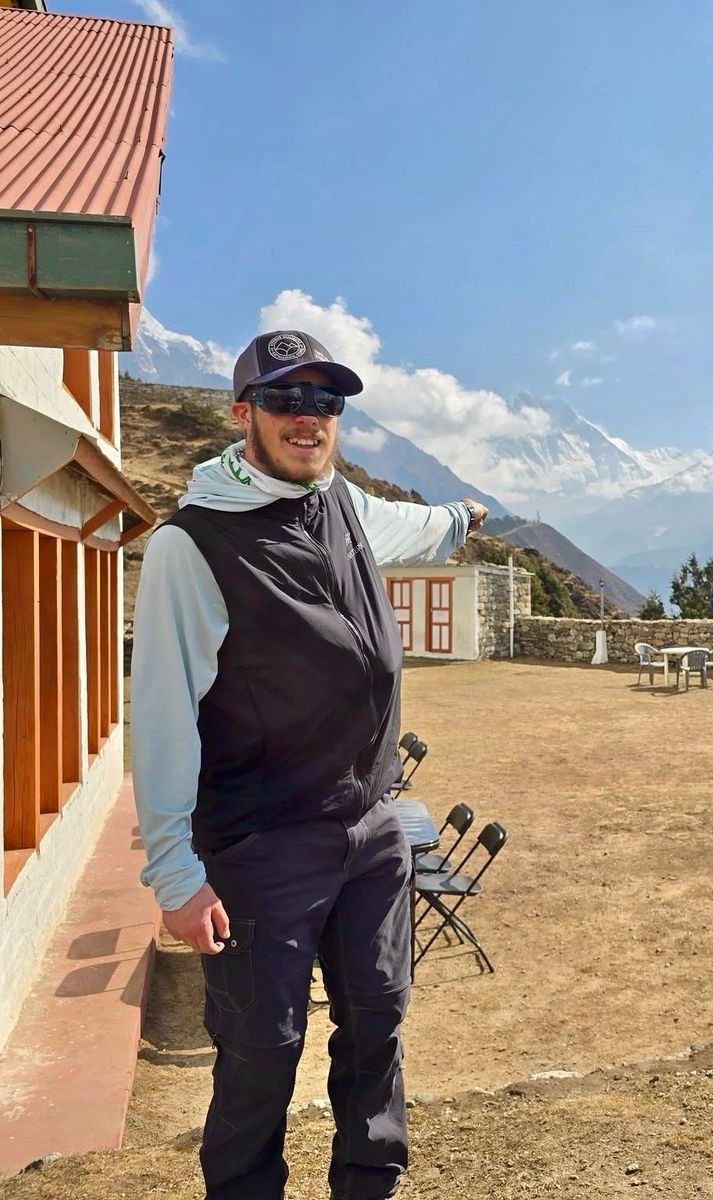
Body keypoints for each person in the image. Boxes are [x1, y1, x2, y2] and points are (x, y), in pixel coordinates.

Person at [131, 329, 488, 1200]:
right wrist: (174, 874)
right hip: (264, 846)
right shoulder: (193, 545)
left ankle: (369, 1185)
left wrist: (461, 516)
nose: (309, 417)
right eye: (286, 398)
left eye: (326, 401)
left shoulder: (341, 502)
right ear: (242, 411)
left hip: (371, 827)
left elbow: (414, 525)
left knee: (378, 1025)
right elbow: (164, 717)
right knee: (262, 1051)